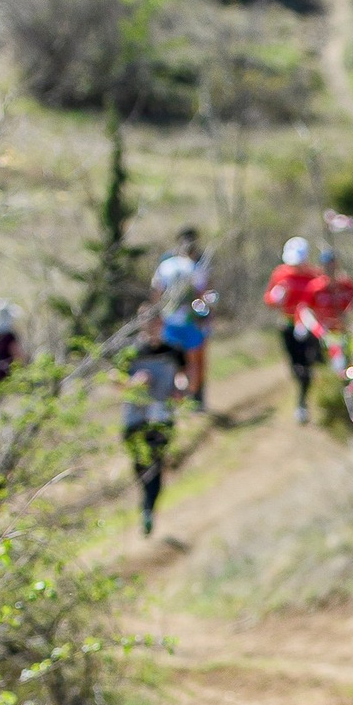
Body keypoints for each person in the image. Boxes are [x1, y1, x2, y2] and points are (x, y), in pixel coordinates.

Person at [122, 308, 189, 535]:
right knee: (140, 464)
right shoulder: (130, 351)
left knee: (156, 463)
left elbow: (182, 375)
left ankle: (149, 508)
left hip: (162, 416)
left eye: (156, 323)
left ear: (162, 324)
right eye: (148, 323)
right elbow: (114, 379)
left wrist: (180, 388)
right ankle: (146, 503)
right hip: (134, 418)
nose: (152, 327)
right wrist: (133, 383)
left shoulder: (173, 351)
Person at [264, 237, 327, 423]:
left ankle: (302, 402)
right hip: (287, 324)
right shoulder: (280, 274)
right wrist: (275, 298)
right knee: (295, 365)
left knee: (306, 363)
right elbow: (268, 298)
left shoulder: (315, 275)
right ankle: (302, 393)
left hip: (308, 325)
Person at [152, 229, 214, 411]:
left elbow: (157, 292)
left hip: (170, 320)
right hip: (189, 321)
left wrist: (157, 316)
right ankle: (193, 399)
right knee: (193, 361)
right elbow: (203, 293)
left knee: (173, 362)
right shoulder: (195, 266)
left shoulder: (166, 265)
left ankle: (175, 401)